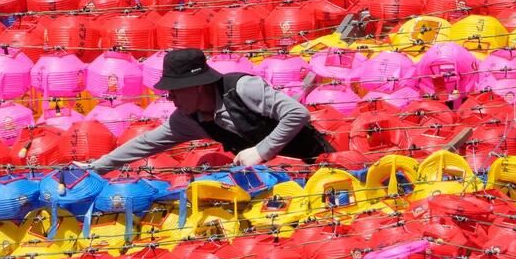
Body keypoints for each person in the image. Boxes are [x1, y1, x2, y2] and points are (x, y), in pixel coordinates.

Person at [85, 49, 334, 173]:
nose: (170, 97)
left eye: (175, 90)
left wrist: (261, 151)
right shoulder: (187, 118)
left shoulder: (243, 88)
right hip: (277, 177)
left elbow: (297, 114)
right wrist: (95, 168)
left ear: (198, 86)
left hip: (317, 165)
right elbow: (146, 143)